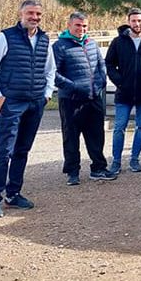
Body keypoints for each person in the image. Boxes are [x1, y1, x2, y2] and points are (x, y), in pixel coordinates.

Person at [0, 0, 55, 219]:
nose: (35, 17)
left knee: (22, 150)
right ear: (21, 14)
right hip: (11, 102)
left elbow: (50, 69)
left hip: (35, 102)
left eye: (38, 14)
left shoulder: (44, 39)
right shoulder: (5, 37)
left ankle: (13, 193)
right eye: (31, 13)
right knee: (5, 151)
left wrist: (47, 93)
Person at [53, 12, 115, 185]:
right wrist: (73, 86)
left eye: (85, 26)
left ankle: (98, 168)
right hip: (71, 100)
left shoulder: (92, 44)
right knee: (71, 136)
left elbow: (101, 67)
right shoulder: (59, 46)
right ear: (69, 26)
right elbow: (53, 73)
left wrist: (100, 83)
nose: (81, 29)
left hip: (93, 98)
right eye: (78, 25)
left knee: (96, 135)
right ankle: (72, 172)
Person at [105, 8, 141, 174]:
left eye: (139, 21)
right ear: (128, 22)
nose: (136, 24)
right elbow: (109, 64)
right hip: (124, 92)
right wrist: (120, 81)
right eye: (133, 21)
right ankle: (116, 161)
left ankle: (135, 159)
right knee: (119, 127)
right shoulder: (118, 42)